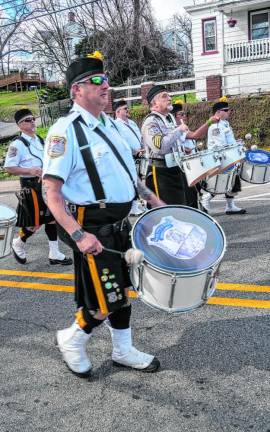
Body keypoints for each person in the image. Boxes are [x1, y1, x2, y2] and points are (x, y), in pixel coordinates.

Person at [42, 52, 163, 378]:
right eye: (96, 80)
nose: (105, 85)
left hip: (122, 224)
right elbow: (51, 193)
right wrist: (79, 235)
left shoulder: (111, 124)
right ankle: (72, 339)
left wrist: (152, 199)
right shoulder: (64, 131)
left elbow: (127, 174)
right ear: (76, 91)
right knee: (105, 295)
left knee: (123, 290)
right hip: (92, 227)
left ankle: (123, 349)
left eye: (106, 79)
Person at [4, 109, 72, 266]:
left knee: (52, 218)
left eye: (33, 118)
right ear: (19, 125)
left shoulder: (39, 140)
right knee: (35, 222)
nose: (32, 121)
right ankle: (18, 242)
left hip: (46, 184)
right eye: (28, 120)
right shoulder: (17, 144)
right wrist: (30, 170)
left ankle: (54, 253)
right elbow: (9, 167)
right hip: (31, 186)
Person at [141, 85, 219, 208]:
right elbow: (160, 147)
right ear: (154, 103)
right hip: (161, 172)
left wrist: (182, 149)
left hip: (176, 168)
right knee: (168, 210)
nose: (169, 98)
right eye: (164, 96)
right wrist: (178, 130)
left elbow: (177, 141)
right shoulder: (150, 122)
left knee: (182, 205)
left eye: (169, 96)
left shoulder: (169, 118)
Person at [202, 99, 247, 215]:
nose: (229, 112)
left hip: (229, 156)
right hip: (221, 158)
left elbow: (228, 140)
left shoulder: (225, 123)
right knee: (221, 182)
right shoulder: (215, 125)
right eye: (226, 110)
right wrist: (233, 147)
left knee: (232, 181)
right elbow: (220, 145)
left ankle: (230, 206)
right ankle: (205, 200)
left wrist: (236, 143)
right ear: (218, 112)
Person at [113, 99, 145, 216]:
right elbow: (120, 142)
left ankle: (137, 204)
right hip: (128, 156)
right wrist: (134, 150)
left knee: (139, 179)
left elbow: (140, 136)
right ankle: (133, 206)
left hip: (140, 154)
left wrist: (142, 147)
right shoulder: (116, 125)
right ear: (117, 112)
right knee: (131, 180)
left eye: (127, 108)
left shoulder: (132, 123)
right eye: (125, 109)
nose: (128, 110)